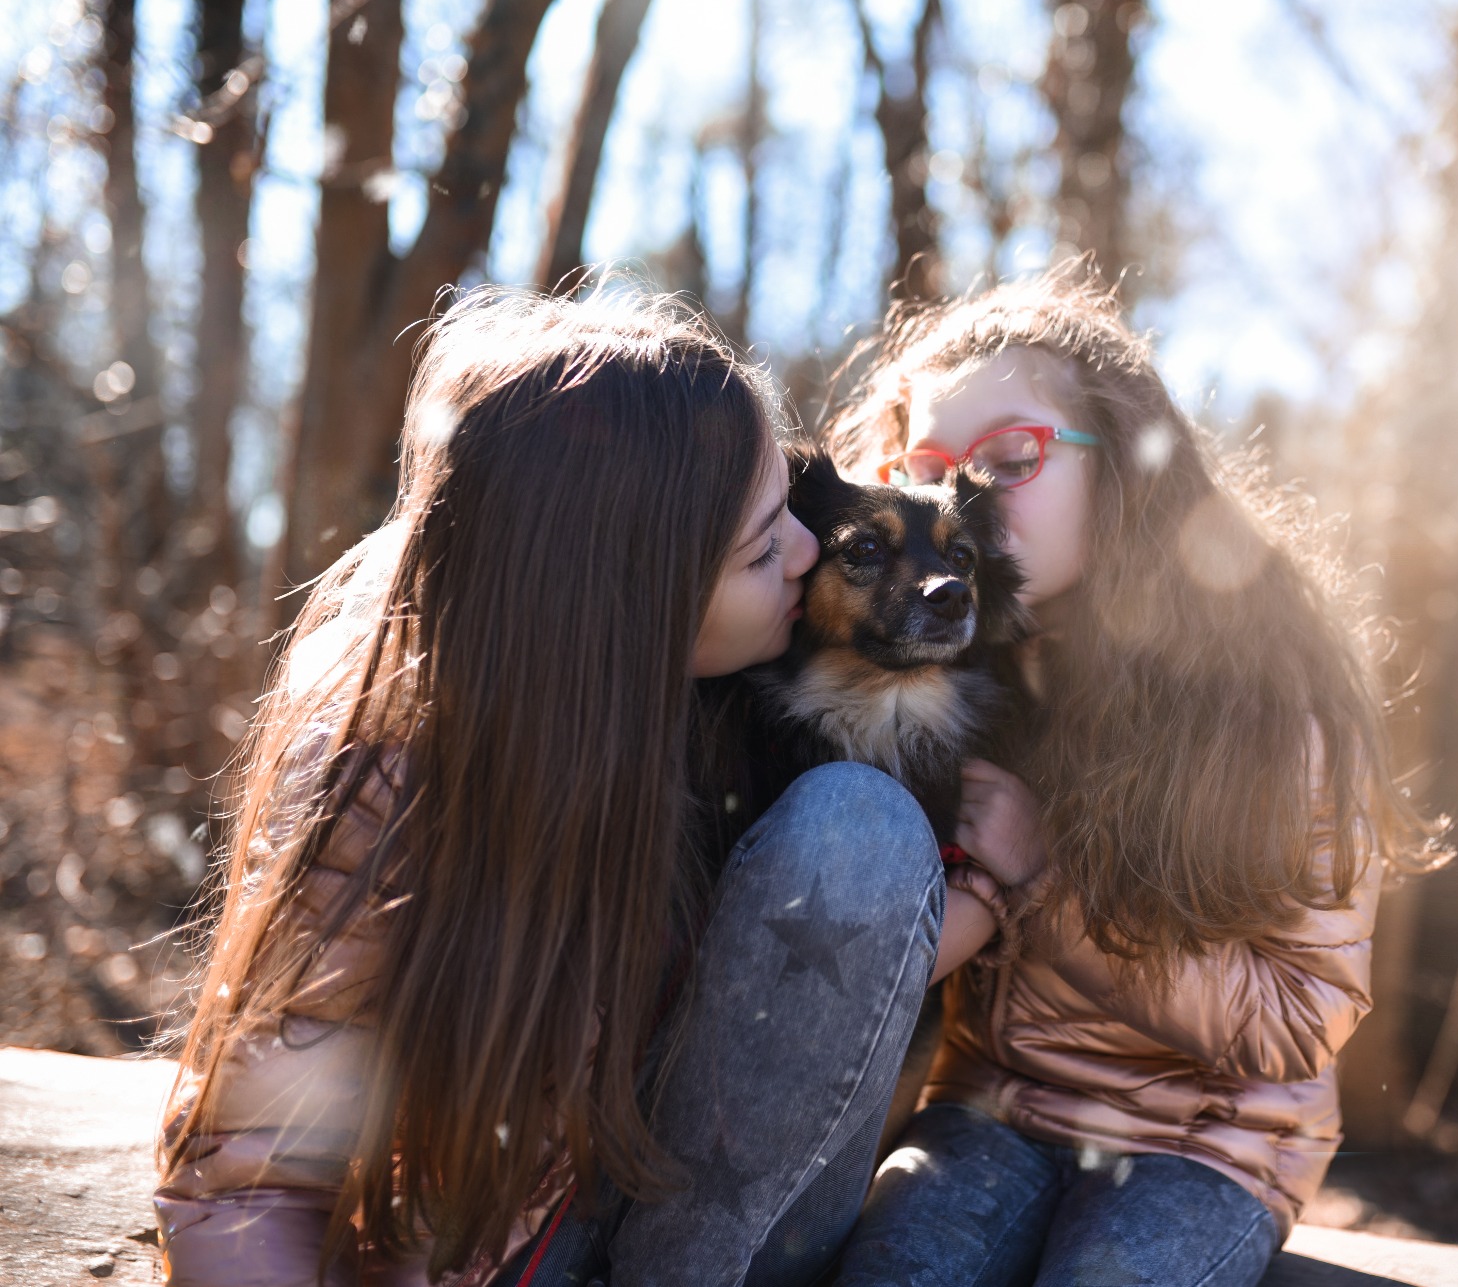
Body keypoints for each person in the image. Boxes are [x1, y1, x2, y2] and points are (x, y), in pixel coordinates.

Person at [153, 289, 1018, 1287]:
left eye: (790, 510)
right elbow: (247, 1173)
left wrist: (981, 892)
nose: (806, 550)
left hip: (698, 1220)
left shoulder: (726, 708)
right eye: (760, 542)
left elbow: (801, 973)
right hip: (486, 1249)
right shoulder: (392, 768)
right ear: (632, 591)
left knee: (854, 827)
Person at [824, 272, 1444, 1287]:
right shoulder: (939, 672)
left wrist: (1041, 876)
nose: (955, 502)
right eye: (923, 467)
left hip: (1209, 1144)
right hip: (989, 1110)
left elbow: (1298, 1017)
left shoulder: (1262, 706)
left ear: (1121, 470)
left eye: (1007, 459)